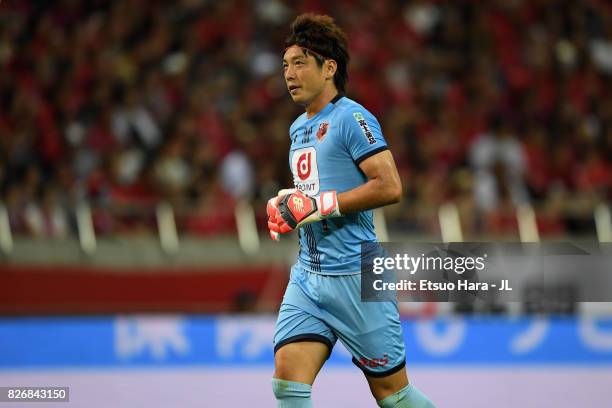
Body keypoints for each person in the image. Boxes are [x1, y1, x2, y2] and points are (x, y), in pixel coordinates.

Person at [266, 13, 436, 408]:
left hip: (358, 274)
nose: (289, 74)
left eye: (300, 63)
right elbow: (316, 194)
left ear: (329, 68)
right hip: (308, 276)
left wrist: (318, 205)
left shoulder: (352, 118)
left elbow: (390, 186)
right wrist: (286, 201)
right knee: (288, 380)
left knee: (394, 396)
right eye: (285, 65)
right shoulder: (297, 129)